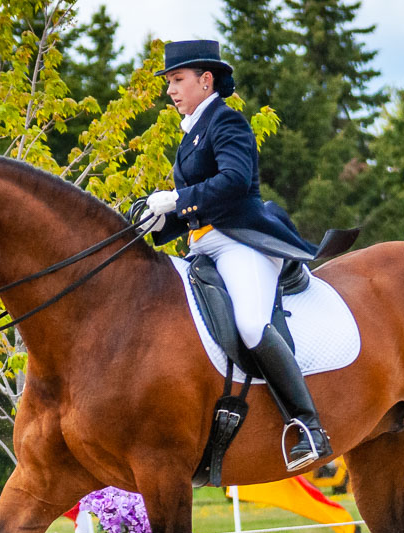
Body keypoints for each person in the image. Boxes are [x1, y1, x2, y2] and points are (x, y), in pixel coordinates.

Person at [143, 39, 331, 470]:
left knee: (250, 323)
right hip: (205, 248)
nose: (170, 90)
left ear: (205, 80)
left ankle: (308, 427)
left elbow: (232, 182)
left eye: (177, 80)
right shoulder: (191, 134)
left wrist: (177, 199)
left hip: (242, 242)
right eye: (169, 82)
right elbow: (197, 208)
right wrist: (159, 224)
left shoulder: (227, 122)